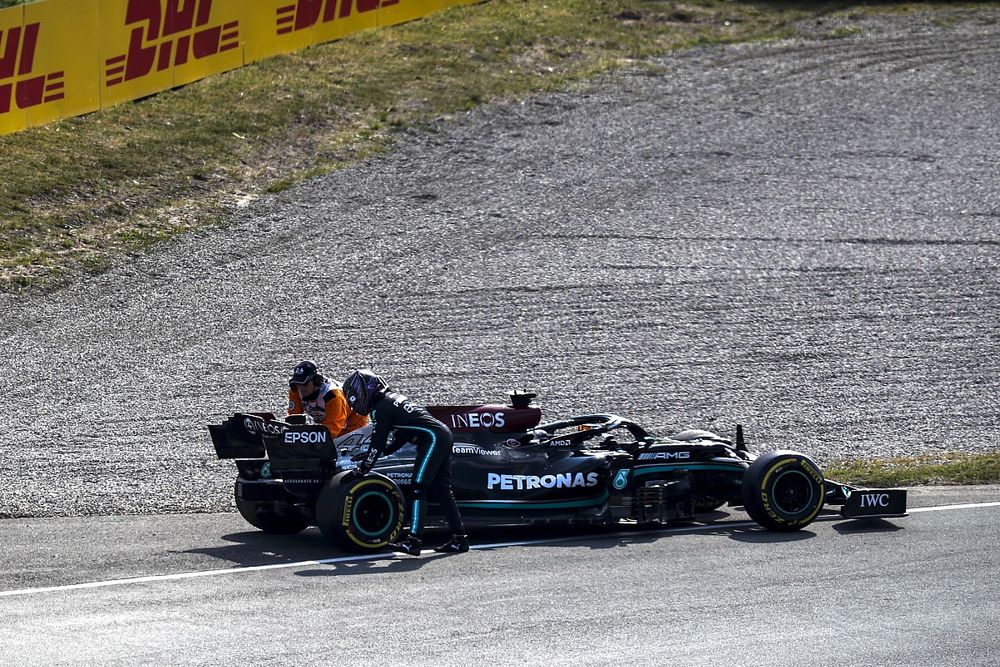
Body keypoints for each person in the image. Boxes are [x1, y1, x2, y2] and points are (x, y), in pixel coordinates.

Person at [342, 369, 468, 556]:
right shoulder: (389, 400)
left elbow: (378, 442)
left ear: (363, 391)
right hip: (440, 435)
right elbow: (399, 438)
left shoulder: (381, 408)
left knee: (418, 488)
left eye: (354, 398)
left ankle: (413, 541)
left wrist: (362, 469)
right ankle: (460, 539)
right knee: (442, 490)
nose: (354, 404)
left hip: (433, 439)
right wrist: (375, 456)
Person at [287, 360, 367, 438]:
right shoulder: (295, 391)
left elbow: (331, 431)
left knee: (338, 444)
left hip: (353, 419)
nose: (301, 389)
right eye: (297, 384)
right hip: (327, 421)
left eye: (304, 384)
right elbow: (294, 421)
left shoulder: (332, 396)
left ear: (316, 381)